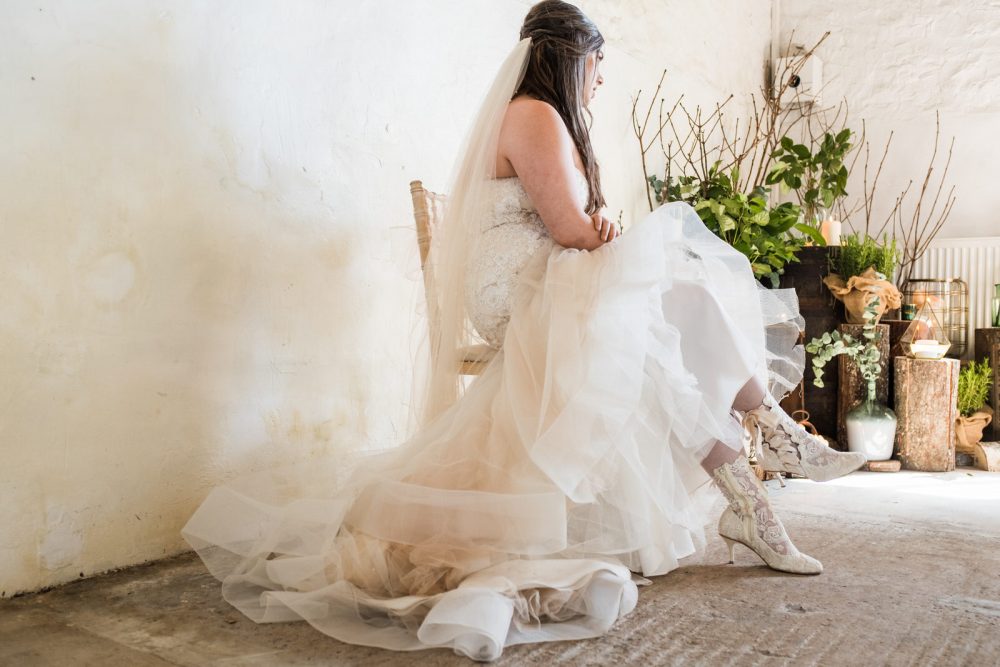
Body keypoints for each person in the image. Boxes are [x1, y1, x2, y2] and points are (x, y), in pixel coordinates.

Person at [182, 1, 866, 661]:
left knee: (663, 328)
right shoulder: (534, 113)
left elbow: (575, 231)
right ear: (574, 60)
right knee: (673, 297)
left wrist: (602, 238)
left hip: (549, 281)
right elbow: (572, 229)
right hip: (519, 291)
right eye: (599, 65)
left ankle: (760, 488)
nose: (601, 80)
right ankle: (773, 447)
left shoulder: (545, 117)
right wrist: (604, 235)